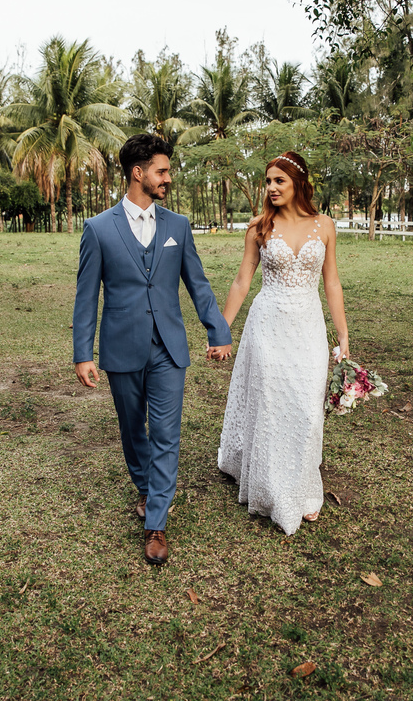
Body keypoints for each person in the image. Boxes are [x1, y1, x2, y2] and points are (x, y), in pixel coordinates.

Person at [73, 134, 232, 565]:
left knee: (166, 434)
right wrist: (82, 353)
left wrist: (217, 330)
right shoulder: (98, 229)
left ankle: (156, 523)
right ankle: (146, 488)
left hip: (169, 349)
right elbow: (86, 295)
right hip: (121, 347)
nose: (168, 178)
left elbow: (196, 283)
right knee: (132, 431)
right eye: (161, 171)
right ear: (137, 173)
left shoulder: (177, 227)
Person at [217, 151, 349, 535]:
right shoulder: (259, 227)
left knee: (308, 408)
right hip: (268, 326)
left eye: (280, 181)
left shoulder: (324, 226)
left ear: (299, 185)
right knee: (272, 405)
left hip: (308, 328)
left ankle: (304, 483)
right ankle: (275, 489)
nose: (272, 188)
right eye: (269, 181)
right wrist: (221, 330)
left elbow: (332, 282)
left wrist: (342, 333)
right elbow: (242, 282)